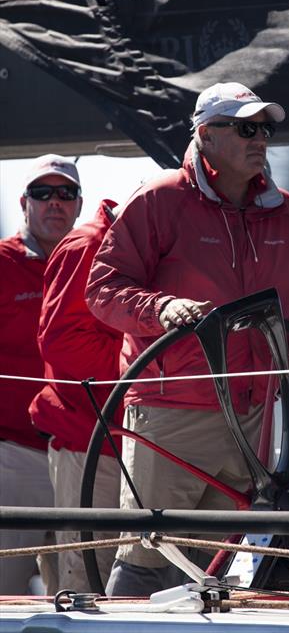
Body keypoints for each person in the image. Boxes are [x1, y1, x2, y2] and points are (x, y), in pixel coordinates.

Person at [86, 81, 289, 596]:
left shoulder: (286, 211)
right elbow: (103, 289)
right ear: (206, 134)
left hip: (253, 413)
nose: (260, 139)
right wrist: (161, 307)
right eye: (246, 128)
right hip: (173, 411)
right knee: (150, 555)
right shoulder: (160, 199)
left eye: (265, 129)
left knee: (213, 566)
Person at [29, 199, 123, 593]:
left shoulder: (160, 244)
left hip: (137, 440)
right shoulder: (90, 244)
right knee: (85, 581)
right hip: (89, 440)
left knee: (129, 573)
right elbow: (62, 340)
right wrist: (143, 374)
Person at [0, 154, 82, 595]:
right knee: (4, 594)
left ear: (78, 204)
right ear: (24, 203)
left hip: (80, 455)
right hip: (13, 458)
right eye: (43, 193)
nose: (55, 202)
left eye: (65, 193)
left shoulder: (97, 263)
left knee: (78, 596)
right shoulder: (2, 262)